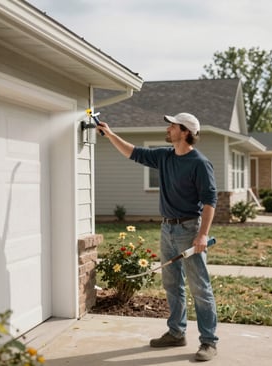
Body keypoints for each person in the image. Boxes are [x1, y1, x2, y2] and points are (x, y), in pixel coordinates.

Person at [97, 112, 218, 362]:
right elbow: (133, 152)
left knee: (200, 288)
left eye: (173, 125)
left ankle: (208, 342)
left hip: (189, 230)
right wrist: (110, 134)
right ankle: (176, 332)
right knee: (172, 285)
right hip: (167, 229)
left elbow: (209, 202)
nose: (169, 128)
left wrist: (203, 235)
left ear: (185, 132)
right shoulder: (164, 156)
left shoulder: (199, 163)